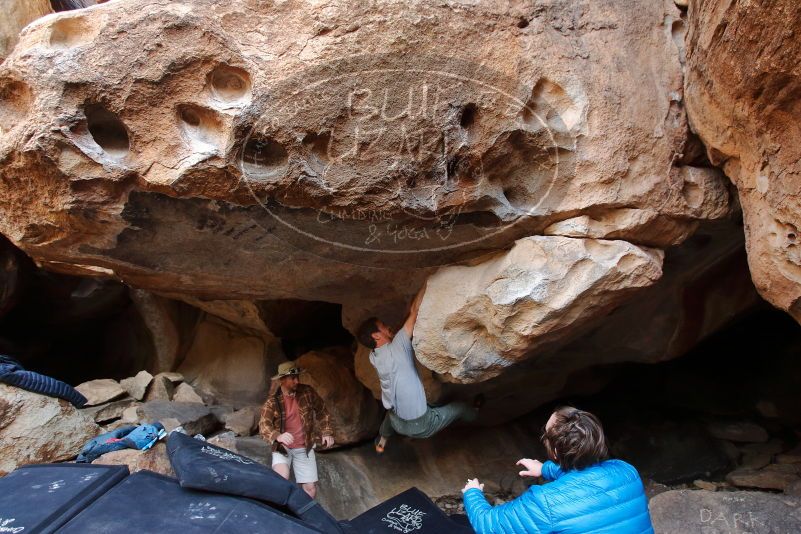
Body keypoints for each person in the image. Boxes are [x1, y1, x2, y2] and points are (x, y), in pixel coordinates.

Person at [462, 406, 654, 534]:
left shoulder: (545, 501)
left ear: (554, 451)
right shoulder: (626, 472)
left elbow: (488, 524)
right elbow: (584, 479)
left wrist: (472, 494)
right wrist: (545, 469)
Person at [357, 284, 478, 453]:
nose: (388, 326)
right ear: (376, 336)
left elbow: (397, 334)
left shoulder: (374, 357)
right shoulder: (398, 346)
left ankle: (382, 440)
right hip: (421, 425)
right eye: (383, 325)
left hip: (398, 422)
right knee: (460, 408)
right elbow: (415, 312)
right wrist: (428, 282)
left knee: (390, 416)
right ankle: (477, 412)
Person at [258, 361, 334, 499]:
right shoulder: (272, 402)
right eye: (292, 378)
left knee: (310, 488)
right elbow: (264, 425)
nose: (297, 381)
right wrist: (277, 436)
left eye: (297, 377)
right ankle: (282, 515)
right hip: (283, 448)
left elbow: (323, 411)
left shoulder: (307, 392)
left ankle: (305, 517)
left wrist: (327, 432)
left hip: (304, 447)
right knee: (282, 479)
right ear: (282, 380)